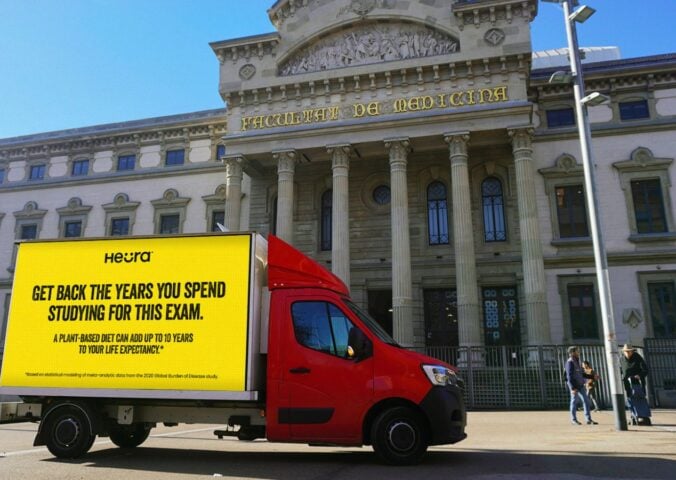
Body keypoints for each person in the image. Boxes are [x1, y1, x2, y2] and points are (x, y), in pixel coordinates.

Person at [565, 346, 598, 425]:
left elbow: (581, 374)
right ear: (572, 353)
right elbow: (569, 376)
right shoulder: (570, 362)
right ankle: (574, 420)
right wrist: (573, 388)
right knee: (574, 402)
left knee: (586, 401)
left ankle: (588, 419)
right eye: (577, 351)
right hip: (574, 386)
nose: (578, 352)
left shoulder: (577, 361)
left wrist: (592, 377)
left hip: (580, 385)